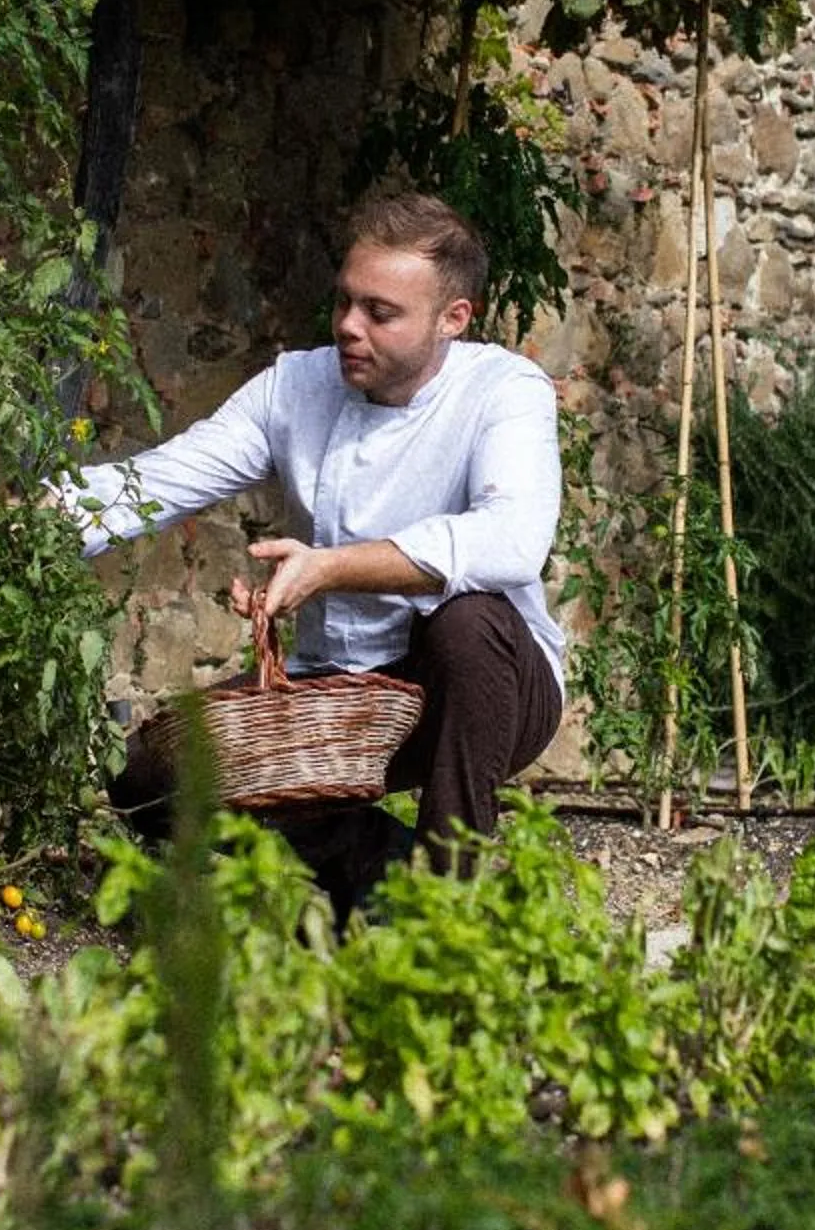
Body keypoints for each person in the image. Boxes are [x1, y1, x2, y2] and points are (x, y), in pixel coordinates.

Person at [52, 190, 564, 915]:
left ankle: (450, 908)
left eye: (381, 312)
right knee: (146, 783)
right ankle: (382, 871)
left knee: (468, 620)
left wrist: (329, 567)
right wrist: (32, 521)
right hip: (333, 688)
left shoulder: (503, 389)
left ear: (453, 319)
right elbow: (161, 480)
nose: (349, 326)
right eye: (345, 301)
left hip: (479, 692)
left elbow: (512, 539)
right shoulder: (295, 386)